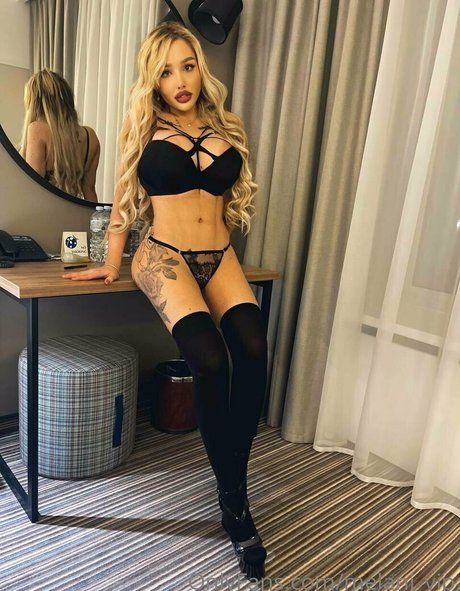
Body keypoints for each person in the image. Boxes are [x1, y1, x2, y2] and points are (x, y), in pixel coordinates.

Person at [62, 22, 268, 580]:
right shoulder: (144, 125)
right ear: (153, 80)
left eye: (188, 66)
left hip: (219, 254)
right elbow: (124, 198)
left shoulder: (225, 125)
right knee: (210, 360)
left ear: (201, 68)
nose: (180, 80)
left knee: (253, 348)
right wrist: (111, 261)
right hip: (165, 253)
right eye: (167, 71)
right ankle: (234, 501)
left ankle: (233, 474)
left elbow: (226, 202)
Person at [20, 68, 100, 202]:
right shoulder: (90, 136)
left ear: (34, 103)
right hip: (74, 212)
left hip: (45, 212)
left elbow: (33, 190)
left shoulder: (37, 129)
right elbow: (90, 190)